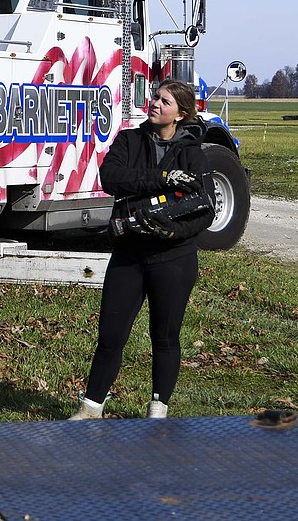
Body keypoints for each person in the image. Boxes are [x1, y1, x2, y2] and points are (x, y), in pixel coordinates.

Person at [70, 79, 216, 420]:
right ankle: (91, 408)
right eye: (154, 98)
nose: (154, 104)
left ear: (180, 114)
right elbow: (111, 177)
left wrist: (170, 230)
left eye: (164, 101)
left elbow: (205, 210)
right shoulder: (129, 139)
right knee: (110, 335)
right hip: (129, 256)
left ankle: (157, 410)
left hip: (174, 258)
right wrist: (162, 179)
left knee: (164, 337)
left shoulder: (193, 154)